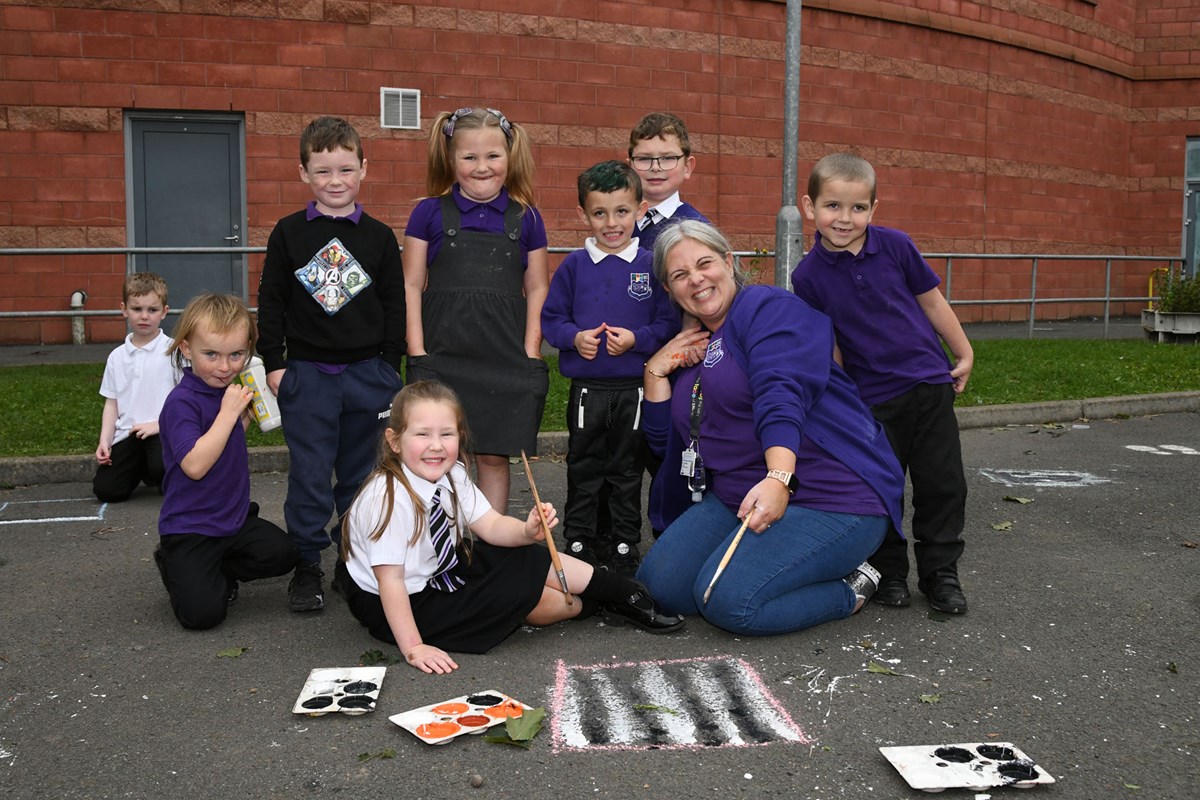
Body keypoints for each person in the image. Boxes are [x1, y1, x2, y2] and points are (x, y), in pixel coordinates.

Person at [635, 220, 905, 636]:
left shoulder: (767, 308)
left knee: (728, 602)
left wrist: (780, 476)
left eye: (704, 263)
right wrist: (655, 371)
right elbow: (664, 443)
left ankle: (852, 587)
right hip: (738, 497)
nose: (696, 280)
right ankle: (775, 565)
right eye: (680, 275)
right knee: (662, 588)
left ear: (728, 262)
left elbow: (780, 392)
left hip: (829, 493)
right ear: (669, 290)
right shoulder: (691, 347)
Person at [335, 381, 684, 674]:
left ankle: (625, 593)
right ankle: (597, 604)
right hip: (397, 600)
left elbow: (490, 525)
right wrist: (414, 649)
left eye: (446, 434)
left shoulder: (452, 473)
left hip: (442, 568)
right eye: (422, 434)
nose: (436, 445)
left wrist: (527, 531)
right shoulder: (389, 497)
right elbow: (391, 582)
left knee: (530, 556)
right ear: (394, 441)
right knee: (546, 603)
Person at [791, 153, 973, 614]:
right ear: (809, 207)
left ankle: (940, 573)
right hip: (871, 400)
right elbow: (828, 343)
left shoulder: (895, 246)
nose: (845, 218)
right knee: (881, 490)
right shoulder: (806, 275)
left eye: (857, 208)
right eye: (833, 206)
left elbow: (932, 303)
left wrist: (963, 351)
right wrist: (842, 398)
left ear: (874, 208)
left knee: (942, 485)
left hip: (929, 385)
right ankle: (888, 571)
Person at [257, 116, 405, 613]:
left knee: (362, 476)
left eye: (345, 169)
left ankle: (352, 561)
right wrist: (275, 364)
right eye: (322, 172)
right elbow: (271, 300)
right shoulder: (289, 234)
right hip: (307, 376)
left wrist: (390, 364)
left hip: (368, 376)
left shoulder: (380, 238)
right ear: (304, 174)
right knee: (310, 474)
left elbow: (393, 303)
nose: (335, 181)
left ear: (364, 168)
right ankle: (306, 563)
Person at [403, 106, 549, 515]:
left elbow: (537, 287)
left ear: (510, 157)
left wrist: (531, 351)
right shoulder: (428, 213)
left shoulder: (527, 217)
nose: (481, 167)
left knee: (492, 457)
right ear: (450, 159)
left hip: (504, 357)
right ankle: (445, 544)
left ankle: (489, 547)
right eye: (469, 157)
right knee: (446, 456)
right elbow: (411, 284)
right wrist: (417, 352)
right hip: (443, 356)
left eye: (493, 156)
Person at [541, 161, 679, 574]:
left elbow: (668, 323)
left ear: (639, 209)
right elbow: (552, 319)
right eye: (599, 213)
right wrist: (574, 338)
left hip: (633, 391)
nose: (611, 222)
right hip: (586, 390)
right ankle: (579, 540)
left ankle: (623, 544)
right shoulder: (573, 266)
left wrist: (638, 340)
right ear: (584, 214)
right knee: (583, 467)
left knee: (625, 471)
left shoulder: (652, 264)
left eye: (621, 211)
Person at [155, 293, 299, 630]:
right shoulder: (181, 403)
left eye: (236, 354)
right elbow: (194, 465)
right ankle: (172, 563)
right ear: (186, 349)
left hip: (232, 521)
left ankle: (218, 569)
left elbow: (224, 441)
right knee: (203, 616)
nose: (225, 367)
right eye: (211, 355)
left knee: (285, 553)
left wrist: (244, 418)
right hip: (190, 528)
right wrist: (229, 413)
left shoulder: (227, 392)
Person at [93, 272, 181, 502]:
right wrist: (105, 440)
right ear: (124, 310)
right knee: (107, 491)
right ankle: (142, 469)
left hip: (162, 432)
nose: (144, 316)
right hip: (127, 436)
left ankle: (158, 472)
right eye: (137, 309)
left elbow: (185, 396)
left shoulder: (174, 351)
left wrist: (160, 424)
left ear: (164, 311)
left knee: (167, 477)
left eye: (152, 310)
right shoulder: (116, 357)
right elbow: (111, 402)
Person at [627, 112, 711, 252]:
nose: (655, 167)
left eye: (667, 158)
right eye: (644, 159)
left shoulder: (699, 231)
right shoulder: (615, 221)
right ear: (630, 166)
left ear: (687, 167)